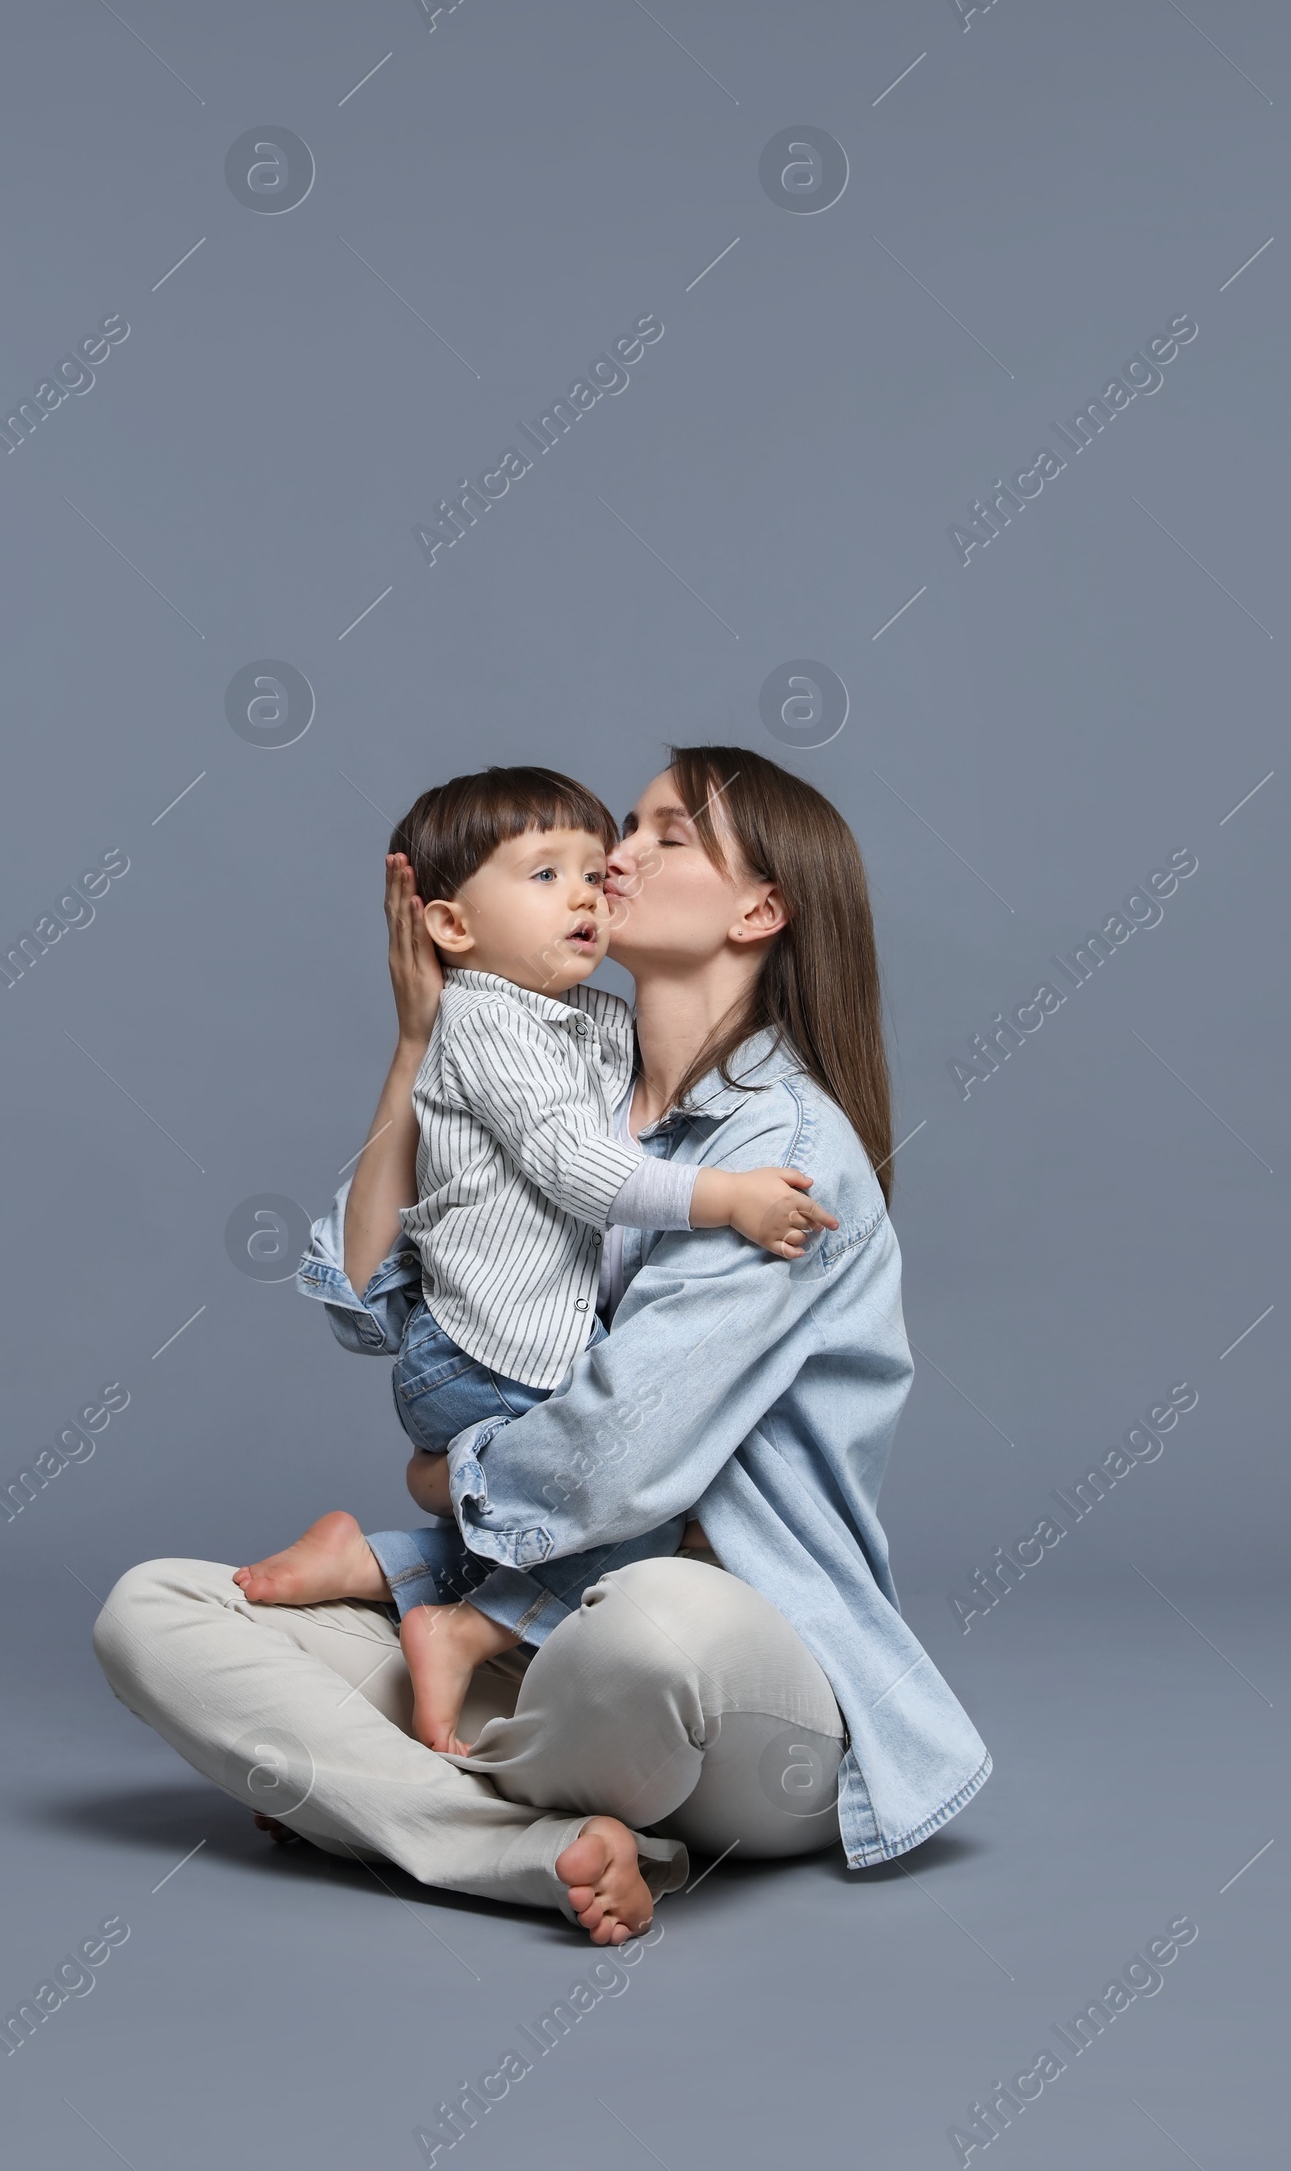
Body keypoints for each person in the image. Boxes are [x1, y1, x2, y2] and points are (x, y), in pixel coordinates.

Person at [94, 746, 990, 1947]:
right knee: (154, 1613)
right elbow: (363, 1303)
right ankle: (536, 1847)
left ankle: (372, 1788)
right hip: (542, 1624)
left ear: (759, 910)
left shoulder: (781, 1156)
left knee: (652, 1626)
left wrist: (431, 1506)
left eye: (666, 837)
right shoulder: (559, 1071)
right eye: (621, 825)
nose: (614, 857)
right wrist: (417, 1049)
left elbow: (608, 1465)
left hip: (729, 1660)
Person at [231, 764, 837, 1750]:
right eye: (548, 875)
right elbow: (385, 1276)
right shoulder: (484, 1020)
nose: (602, 884)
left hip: (533, 1375)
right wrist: (722, 1201)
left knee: (643, 1540)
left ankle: (386, 1570)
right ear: (452, 929)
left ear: (760, 909)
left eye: (601, 867)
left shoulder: (614, 1035)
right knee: (640, 1524)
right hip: (480, 1358)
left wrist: (454, 1476)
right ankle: (461, 1634)